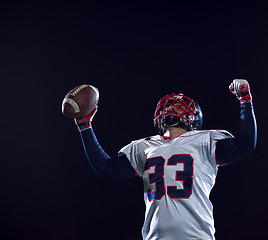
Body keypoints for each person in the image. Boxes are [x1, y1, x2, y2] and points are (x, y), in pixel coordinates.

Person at [72, 79, 257, 240]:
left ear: (193, 117)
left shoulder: (206, 140)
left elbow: (246, 145)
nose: (170, 107)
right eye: (169, 105)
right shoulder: (143, 146)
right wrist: (85, 126)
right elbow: (106, 168)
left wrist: (245, 101)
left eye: (177, 105)